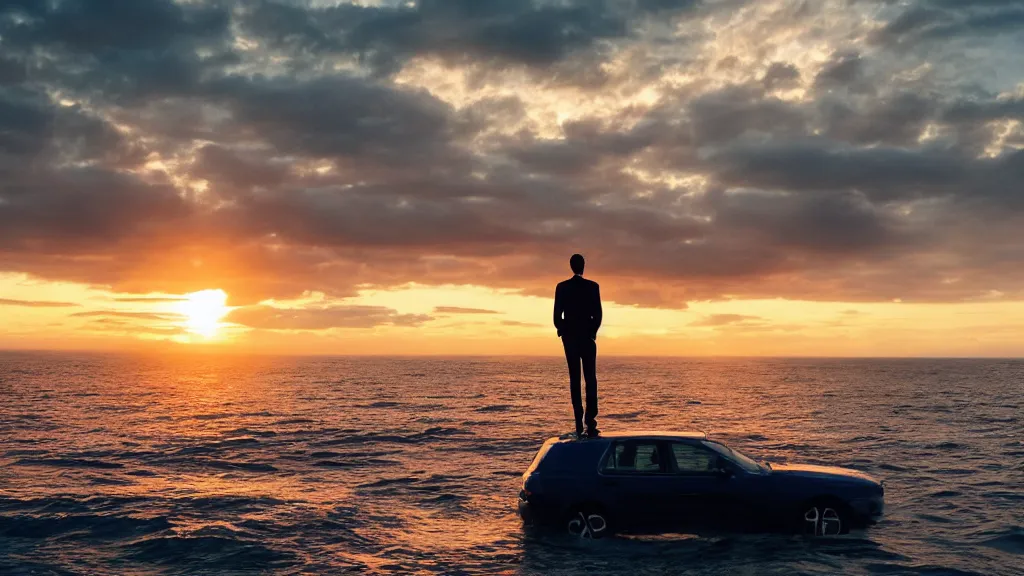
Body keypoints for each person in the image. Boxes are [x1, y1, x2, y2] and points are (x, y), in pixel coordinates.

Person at [553, 254, 602, 438]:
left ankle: (578, 423)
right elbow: (598, 314)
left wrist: (564, 331)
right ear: (584, 266)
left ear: (571, 266)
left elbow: (557, 317)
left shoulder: (562, 288)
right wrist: (592, 332)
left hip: (571, 340)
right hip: (587, 339)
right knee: (590, 380)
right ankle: (590, 422)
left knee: (575, 380)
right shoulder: (593, 287)